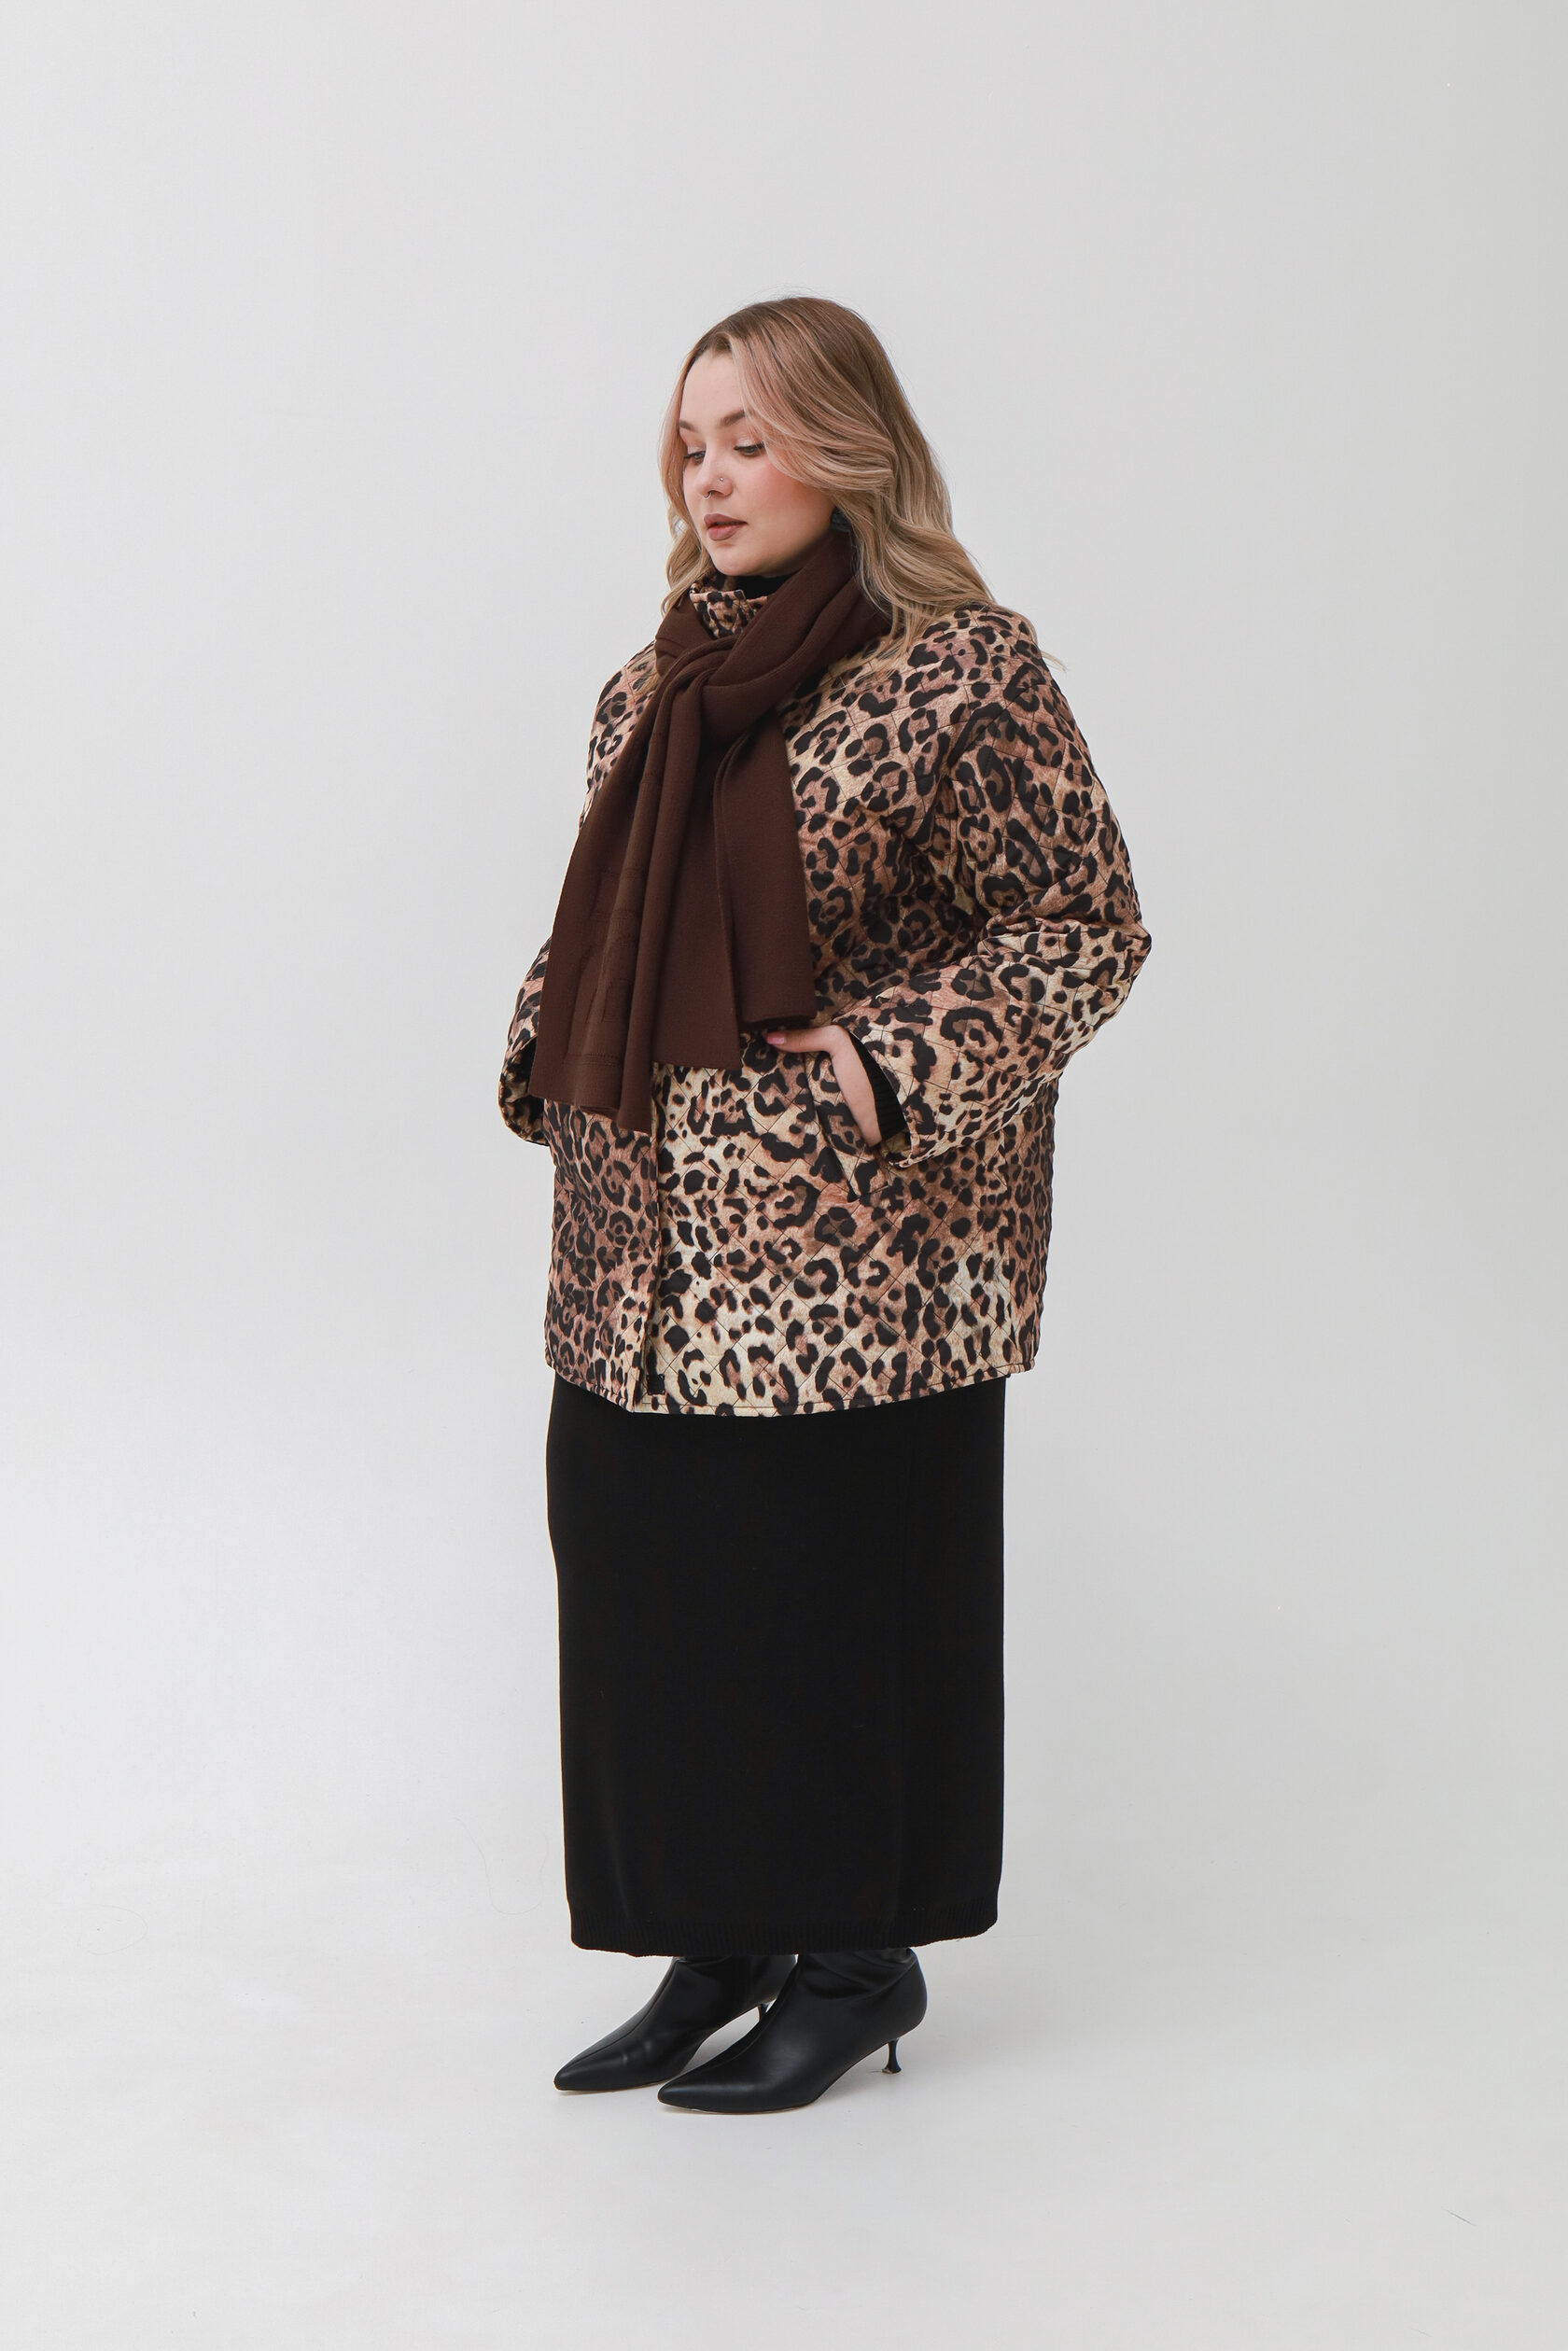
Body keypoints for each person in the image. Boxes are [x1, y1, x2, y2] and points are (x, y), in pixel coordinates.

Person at [497, 295, 1152, 2114]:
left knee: (830, 1602)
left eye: (753, 438)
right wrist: (545, 1044)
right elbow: (601, 915)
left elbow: (1083, 924)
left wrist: (885, 1060)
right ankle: (712, 1942)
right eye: (690, 442)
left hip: (862, 1254)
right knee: (646, 1584)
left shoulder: (963, 673)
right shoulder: (651, 687)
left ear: (849, 451)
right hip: (643, 1248)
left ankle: (856, 1961)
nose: (710, 477)